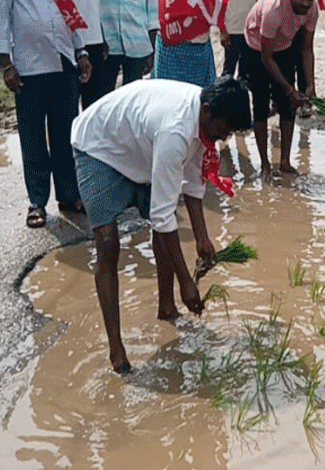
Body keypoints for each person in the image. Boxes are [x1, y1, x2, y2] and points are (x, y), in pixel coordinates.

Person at [71, 77, 253, 374]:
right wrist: (187, 283)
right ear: (207, 111)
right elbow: (163, 217)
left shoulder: (203, 122)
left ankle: (167, 307)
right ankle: (116, 349)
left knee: (163, 222)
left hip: (140, 146)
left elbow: (193, 182)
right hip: (100, 146)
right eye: (224, 130)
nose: (223, 138)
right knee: (108, 243)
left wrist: (203, 238)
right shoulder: (176, 132)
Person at [0, 0, 93, 228]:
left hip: (63, 60)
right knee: (33, 136)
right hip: (29, 66)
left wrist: (81, 53)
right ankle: (37, 202)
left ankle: (68, 193)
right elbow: (1, 17)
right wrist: (8, 64)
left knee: (66, 133)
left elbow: (70, 11)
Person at [243, 0, 320, 176]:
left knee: (288, 107)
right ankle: (265, 163)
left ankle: (285, 161)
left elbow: (306, 48)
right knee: (260, 105)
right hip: (257, 47)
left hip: (285, 45)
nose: (306, 3)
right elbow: (267, 59)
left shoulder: (312, 9)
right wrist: (288, 89)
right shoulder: (274, 9)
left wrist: (310, 83)